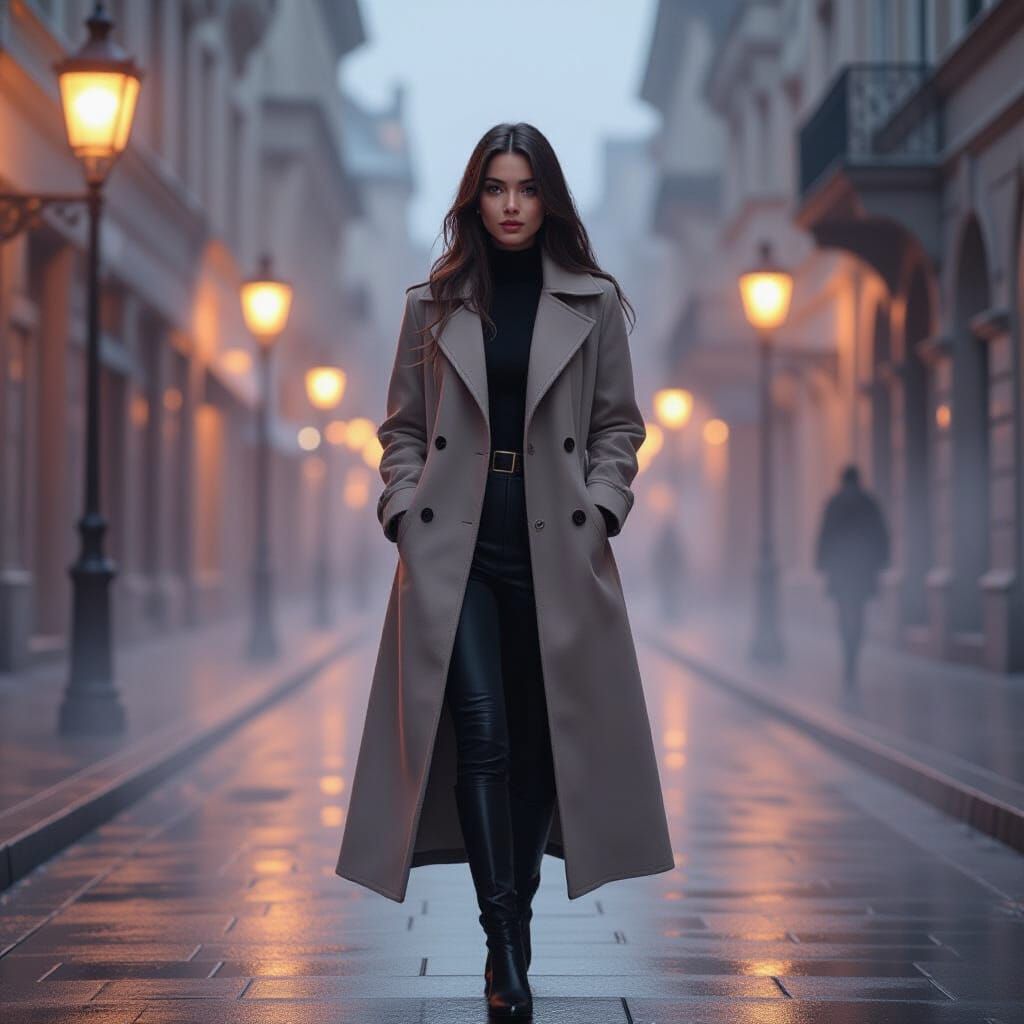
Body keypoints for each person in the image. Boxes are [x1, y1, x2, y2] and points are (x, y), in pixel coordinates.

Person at [335, 124, 675, 1019]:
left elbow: (619, 427)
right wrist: (402, 510)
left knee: (534, 748)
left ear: (548, 197)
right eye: (495, 187)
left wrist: (605, 505)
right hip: (457, 547)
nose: (512, 204)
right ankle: (503, 948)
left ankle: (513, 929)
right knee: (481, 736)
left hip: (556, 545)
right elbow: (403, 430)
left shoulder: (595, 303)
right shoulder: (431, 305)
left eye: (526, 187)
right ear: (473, 199)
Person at [814, 464, 890, 687]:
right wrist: (881, 562)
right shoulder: (869, 503)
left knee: (843, 614)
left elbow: (824, 535)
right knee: (858, 614)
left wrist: (821, 564)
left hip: (840, 571)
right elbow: (881, 535)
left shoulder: (834, 503)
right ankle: (853, 654)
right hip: (862, 571)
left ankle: (848, 657)